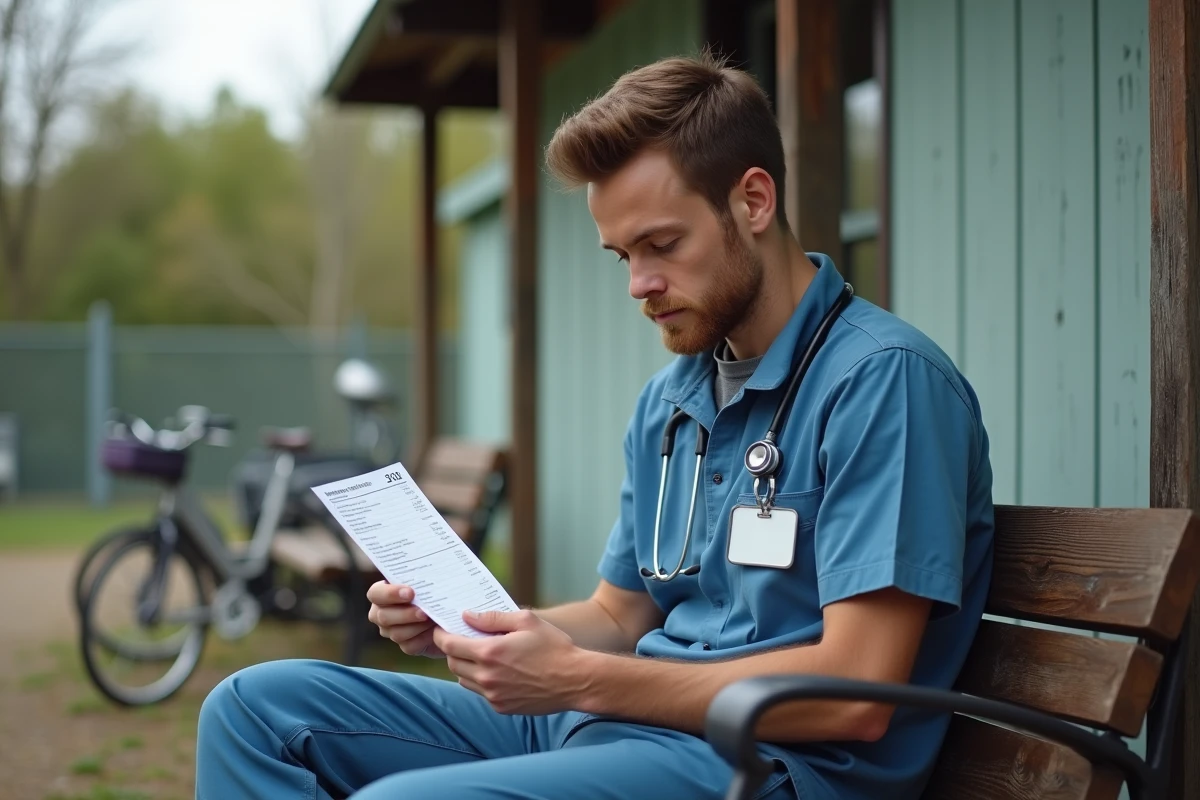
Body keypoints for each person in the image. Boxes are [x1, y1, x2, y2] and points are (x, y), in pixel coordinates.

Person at [195, 51, 994, 800]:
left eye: (662, 245)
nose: (640, 284)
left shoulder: (882, 383)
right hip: (621, 724)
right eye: (622, 256)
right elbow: (618, 616)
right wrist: (477, 632)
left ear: (753, 201)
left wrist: (577, 679)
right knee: (254, 710)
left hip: (764, 764)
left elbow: (855, 695)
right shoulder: (672, 402)